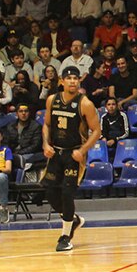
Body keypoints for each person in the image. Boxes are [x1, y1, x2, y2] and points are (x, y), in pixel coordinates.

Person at [41, 66, 101, 252]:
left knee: (67, 192)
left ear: (79, 81)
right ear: (62, 81)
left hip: (74, 154)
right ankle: (72, 219)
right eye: (69, 78)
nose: (72, 81)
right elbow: (46, 124)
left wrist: (83, 150)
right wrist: (45, 144)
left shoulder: (85, 104)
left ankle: (65, 236)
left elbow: (97, 131)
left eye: (75, 78)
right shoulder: (52, 100)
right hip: (56, 152)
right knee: (49, 191)